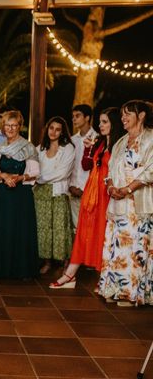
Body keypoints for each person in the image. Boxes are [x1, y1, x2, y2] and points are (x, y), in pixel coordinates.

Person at [50, 107, 124, 289]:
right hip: (92, 191)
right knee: (83, 232)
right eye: (100, 121)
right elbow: (86, 165)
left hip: (106, 193)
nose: (101, 125)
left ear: (114, 123)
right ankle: (70, 275)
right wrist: (88, 150)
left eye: (105, 122)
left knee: (102, 234)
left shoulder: (120, 144)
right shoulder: (99, 141)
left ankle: (104, 278)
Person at [97, 100, 153, 307]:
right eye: (121, 114)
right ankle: (113, 287)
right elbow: (111, 168)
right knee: (116, 246)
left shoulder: (150, 139)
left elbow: (150, 170)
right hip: (118, 201)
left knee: (134, 247)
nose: (123, 118)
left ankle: (130, 293)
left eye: (128, 114)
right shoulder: (121, 141)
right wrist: (111, 187)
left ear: (141, 115)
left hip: (138, 203)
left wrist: (128, 189)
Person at [0, 110, 40, 279]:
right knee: (3, 229)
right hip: (3, 194)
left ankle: (22, 270)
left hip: (21, 195)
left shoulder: (29, 147)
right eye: (7, 125)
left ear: (20, 126)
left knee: (21, 230)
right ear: (3, 127)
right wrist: (4, 176)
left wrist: (19, 178)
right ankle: (2, 270)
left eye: (14, 125)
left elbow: (35, 172)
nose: (10, 128)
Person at [34, 117, 76, 274]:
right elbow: (34, 170)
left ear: (62, 132)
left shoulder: (68, 149)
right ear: (47, 129)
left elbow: (63, 173)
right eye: (51, 128)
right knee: (43, 228)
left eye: (58, 129)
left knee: (60, 227)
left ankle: (64, 261)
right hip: (40, 194)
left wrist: (41, 178)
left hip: (58, 192)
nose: (53, 132)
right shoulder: (39, 149)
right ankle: (47, 261)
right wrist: (38, 177)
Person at [69, 104, 97, 232]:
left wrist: (85, 189)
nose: (74, 119)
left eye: (77, 116)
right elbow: (69, 166)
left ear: (87, 117)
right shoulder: (71, 140)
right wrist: (71, 186)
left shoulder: (97, 139)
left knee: (89, 229)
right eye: (73, 116)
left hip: (89, 191)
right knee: (75, 229)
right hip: (73, 190)